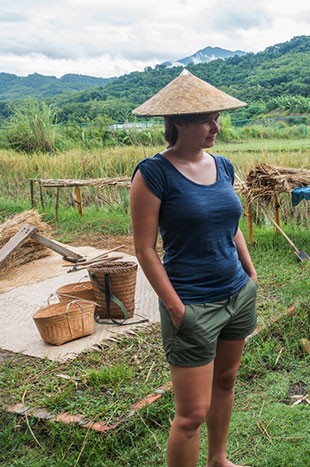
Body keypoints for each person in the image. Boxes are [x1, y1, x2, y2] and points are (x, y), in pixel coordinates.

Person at [130, 70, 257, 467]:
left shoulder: (224, 166)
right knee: (191, 415)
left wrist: (250, 274)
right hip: (192, 305)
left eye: (217, 118)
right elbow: (144, 248)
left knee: (226, 381)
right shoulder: (152, 174)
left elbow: (230, 223)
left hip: (237, 294)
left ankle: (218, 459)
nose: (215, 127)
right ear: (178, 122)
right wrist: (174, 307)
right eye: (206, 119)